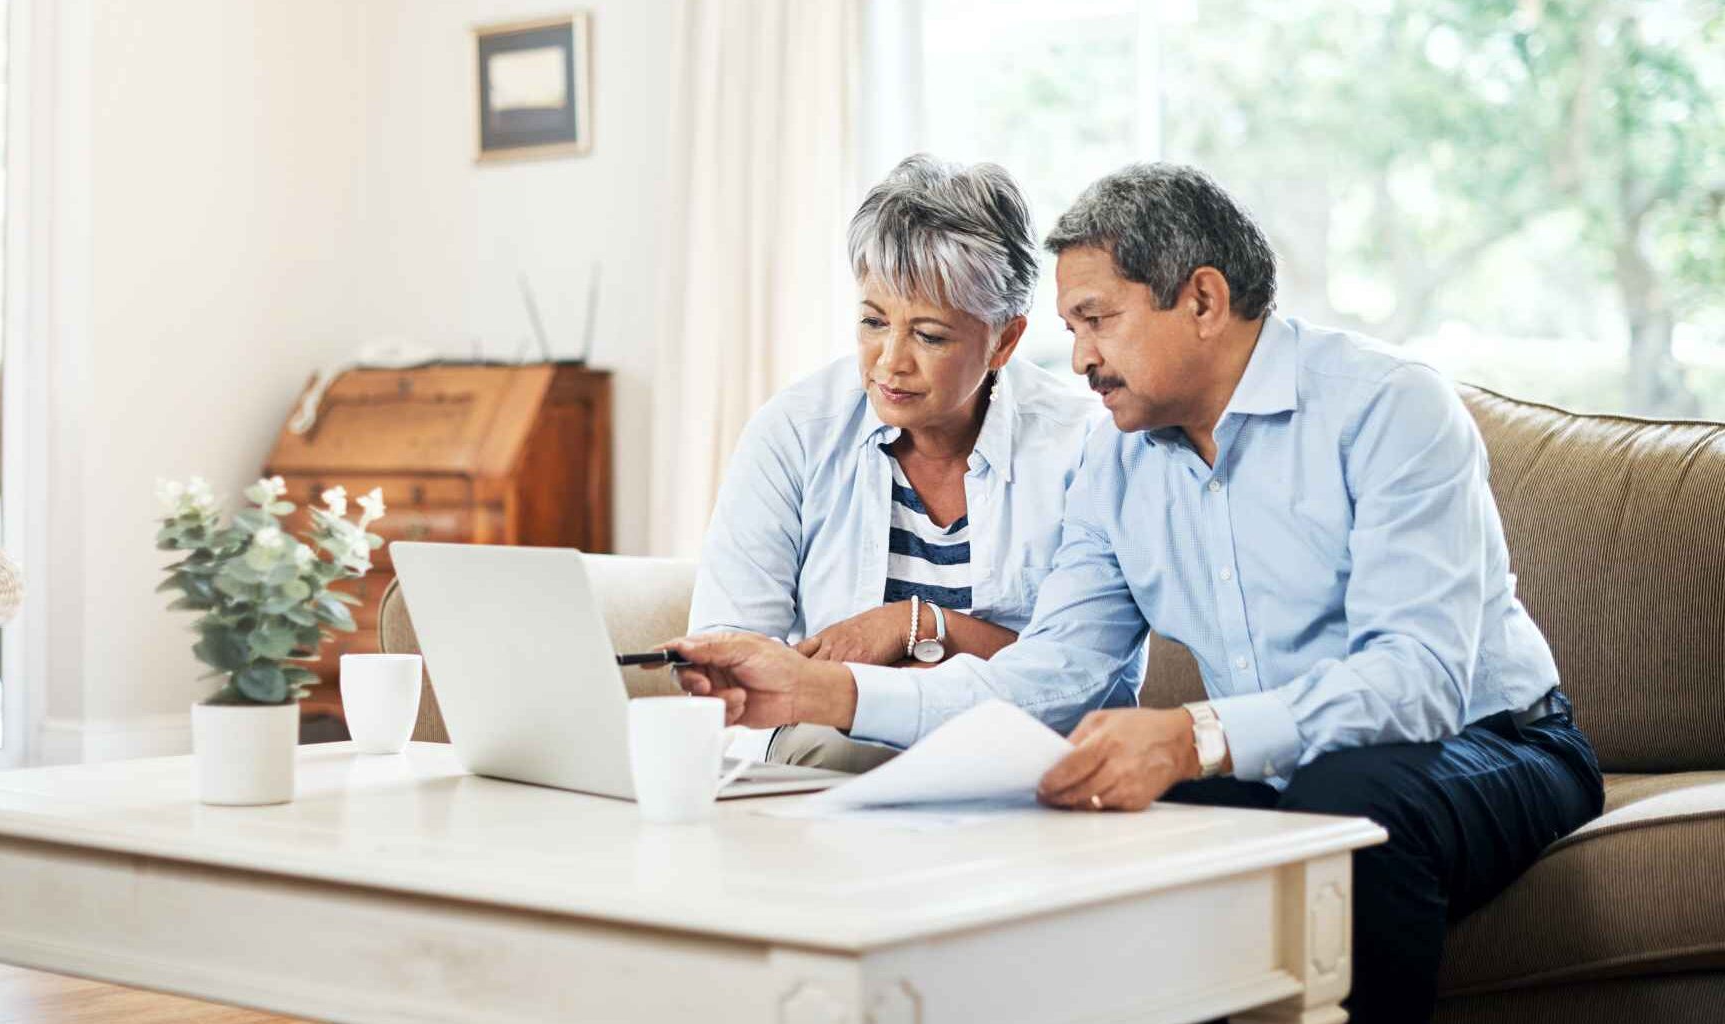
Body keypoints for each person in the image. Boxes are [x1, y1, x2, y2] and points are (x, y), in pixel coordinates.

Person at [666, 163, 1604, 1022]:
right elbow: (1050, 681)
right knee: (1110, 834)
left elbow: (1420, 680)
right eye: (1072, 329)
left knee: (1343, 807)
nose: (1077, 362)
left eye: (1097, 320)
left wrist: (1195, 735)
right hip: (1283, 764)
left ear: (1202, 299)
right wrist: (819, 692)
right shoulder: (1114, 463)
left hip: (1491, 740)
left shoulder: (1389, 407)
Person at [689, 154, 1106, 772]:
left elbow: (1087, 680)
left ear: (1005, 340)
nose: (890, 363)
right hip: (826, 755)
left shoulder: (1081, 449)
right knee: (836, 750)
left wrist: (916, 625)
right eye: (872, 322)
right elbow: (731, 650)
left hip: (1010, 759)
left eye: (930, 335)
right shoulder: (795, 432)